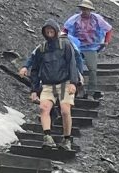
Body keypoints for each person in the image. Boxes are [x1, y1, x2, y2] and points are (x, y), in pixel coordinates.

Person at [16, 22, 81, 151]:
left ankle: (66, 139)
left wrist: (74, 82)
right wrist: (34, 89)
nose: (50, 33)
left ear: (56, 31)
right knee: (44, 108)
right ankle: (47, 137)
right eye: (47, 31)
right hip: (47, 84)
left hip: (64, 83)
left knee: (65, 110)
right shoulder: (42, 48)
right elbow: (34, 67)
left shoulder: (66, 45)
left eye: (52, 30)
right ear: (44, 33)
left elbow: (72, 64)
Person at [62, 1, 112, 99]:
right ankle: (79, 90)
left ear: (90, 10)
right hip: (77, 46)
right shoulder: (74, 19)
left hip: (91, 47)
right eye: (83, 9)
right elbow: (65, 29)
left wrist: (106, 41)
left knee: (92, 69)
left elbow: (109, 29)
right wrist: (64, 40)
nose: (84, 11)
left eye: (86, 9)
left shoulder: (97, 19)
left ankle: (90, 93)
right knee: (76, 68)